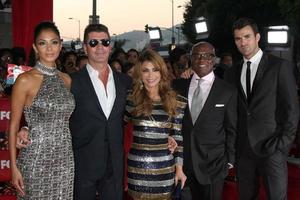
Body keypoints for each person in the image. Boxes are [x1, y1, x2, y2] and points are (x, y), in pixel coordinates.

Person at [225, 17, 299, 200]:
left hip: (272, 147)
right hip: (243, 151)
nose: (243, 42)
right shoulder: (231, 73)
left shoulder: (279, 67)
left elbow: (292, 110)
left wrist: (281, 145)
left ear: (257, 37)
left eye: (247, 36)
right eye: (238, 38)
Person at [8, 21, 75, 199]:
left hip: (64, 159)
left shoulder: (66, 80)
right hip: (35, 159)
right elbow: (13, 125)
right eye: (42, 43)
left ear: (60, 45)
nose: (49, 48)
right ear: (35, 47)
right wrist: (14, 168)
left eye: (53, 42)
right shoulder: (24, 80)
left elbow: (59, 115)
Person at [69, 23, 132, 200]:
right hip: (83, 163)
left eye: (104, 42)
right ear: (85, 47)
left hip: (114, 163)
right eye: (93, 42)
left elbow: (145, 107)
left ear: (110, 47)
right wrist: (27, 128)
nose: (100, 47)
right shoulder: (71, 82)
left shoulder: (125, 81)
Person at [173, 41, 237, 200]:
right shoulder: (177, 86)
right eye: (197, 55)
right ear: (190, 59)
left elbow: (232, 127)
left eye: (207, 55)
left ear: (214, 59)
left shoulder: (227, 90)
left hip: (213, 166)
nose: (202, 59)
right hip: (182, 164)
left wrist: (229, 161)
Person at [125, 49, 187, 200]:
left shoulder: (177, 101)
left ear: (162, 71)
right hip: (137, 168)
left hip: (164, 168)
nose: (150, 75)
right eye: (145, 70)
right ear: (140, 73)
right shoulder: (130, 100)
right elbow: (121, 128)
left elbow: (178, 137)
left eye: (155, 70)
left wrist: (179, 169)